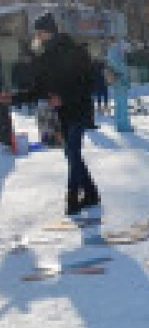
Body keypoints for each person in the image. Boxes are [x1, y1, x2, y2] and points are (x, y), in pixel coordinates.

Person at [0, 13, 99, 216]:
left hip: (79, 109)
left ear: (50, 32)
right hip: (62, 114)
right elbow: (39, 90)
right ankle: (91, 193)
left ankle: (73, 198)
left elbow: (88, 84)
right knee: (71, 153)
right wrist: (13, 98)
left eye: (40, 32)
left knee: (72, 151)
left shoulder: (74, 52)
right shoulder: (44, 57)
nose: (37, 36)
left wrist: (64, 98)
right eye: (36, 32)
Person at [106, 36, 133, 132]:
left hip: (118, 81)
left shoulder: (114, 52)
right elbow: (120, 67)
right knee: (122, 104)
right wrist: (125, 70)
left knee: (119, 104)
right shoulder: (115, 53)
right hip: (120, 81)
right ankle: (124, 125)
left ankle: (120, 124)